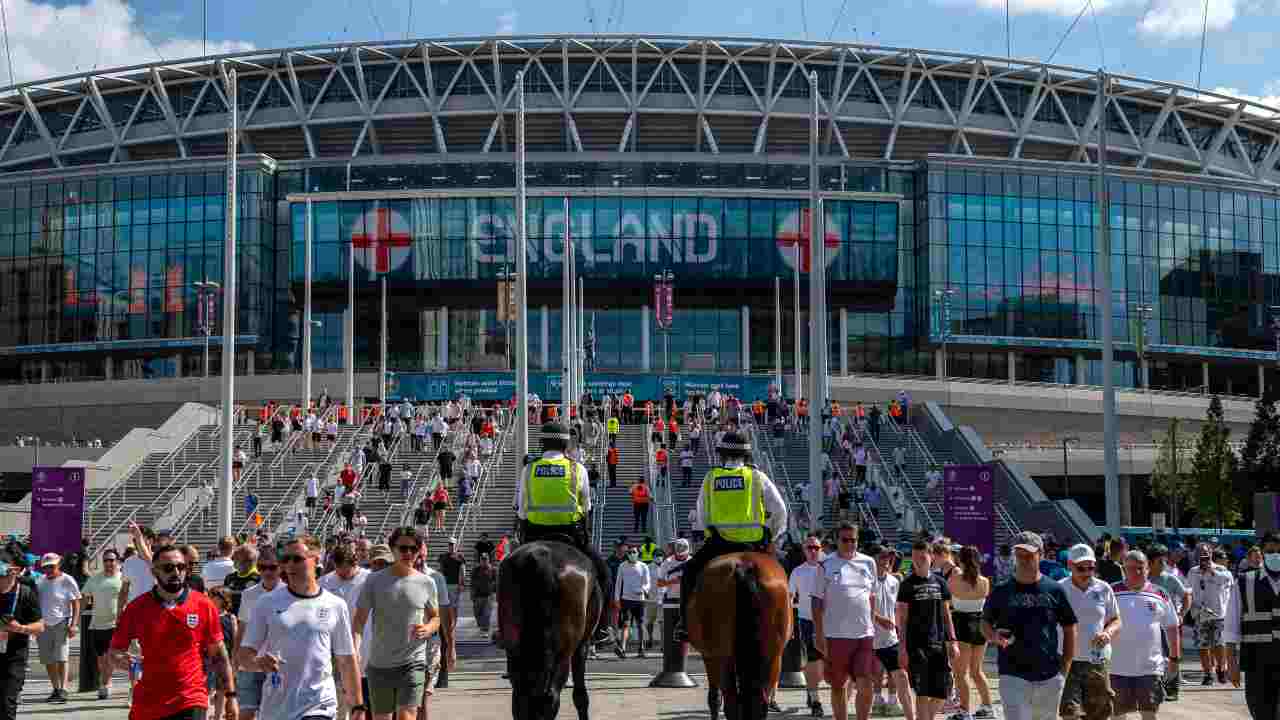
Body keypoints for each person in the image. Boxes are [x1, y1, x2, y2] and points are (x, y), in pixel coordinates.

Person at [677, 431, 788, 640]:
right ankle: (792, 629)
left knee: (690, 572)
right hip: (754, 545)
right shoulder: (757, 476)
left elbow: (702, 515)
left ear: (722, 455)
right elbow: (781, 510)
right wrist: (771, 537)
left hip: (718, 546)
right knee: (785, 574)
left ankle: (683, 625)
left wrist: (709, 530)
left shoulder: (711, 477)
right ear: (746, 455)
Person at [239, 535, 364, 720]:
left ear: (316, 559)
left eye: (297, 559)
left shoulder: (335, 605)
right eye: (285, 559)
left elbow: (346, 659)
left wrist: (357, 705)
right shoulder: (266, 603)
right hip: (277, 706)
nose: (290, 565)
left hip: (319, 704)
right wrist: (258, 662)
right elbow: (244, 656)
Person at [109, 543, 238, 720]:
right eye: (168, 568)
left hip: (190, 698)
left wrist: (231, 697)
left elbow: (219, 656)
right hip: (149, 702)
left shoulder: (204, 605)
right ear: (154, 572)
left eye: (181, 567)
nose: (176, 572)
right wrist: (119, 659)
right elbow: (115, 651)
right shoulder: (136, 608)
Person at [513, 421, 612, 642]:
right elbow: (586, 507)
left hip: (534, 537)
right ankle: (603, 627)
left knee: (508, 575)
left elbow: (521, 510)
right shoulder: (578, 469)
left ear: (542, 443)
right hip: (571, 536)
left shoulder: (529, 469)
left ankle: (507, 629)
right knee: (604, 574)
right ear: (567, 445)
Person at [981, 531, 1078, 720]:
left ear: (1040, 555)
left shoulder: (1054, 589)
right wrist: (993, 636)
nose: (1024, 560)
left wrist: (1065, 667)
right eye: (1019, 555)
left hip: (1049, 675)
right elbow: (985, 622)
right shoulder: (1002, 590)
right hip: (1012, 674)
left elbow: (1070, 627)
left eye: (1029, 555)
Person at [353, 527, 440, 720]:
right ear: (393, 549)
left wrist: (427, 628)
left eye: (413, 548)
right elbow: (359, 620)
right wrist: (356, 648)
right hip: (379, 664)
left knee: (406, 716)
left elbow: (435, 617)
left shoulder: (427, 582)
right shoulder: (374, 581)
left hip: (413, 662)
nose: (408, 553)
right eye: (403, 548)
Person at [812, 522, 878, 720]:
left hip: (864, 635)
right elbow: (816, 602)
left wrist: (872, 625)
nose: (849, 543)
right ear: (837, 541)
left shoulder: (869, 563)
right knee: (838, 686)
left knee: (866, 685)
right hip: (835, 636)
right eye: (845, 540)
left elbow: (872, 597)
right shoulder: (826, 565)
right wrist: (819, 634)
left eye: (853, 540)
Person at [1111, 550, 1179, 720]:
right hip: (1116, 667)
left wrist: (1174, 658)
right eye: (1131, 568)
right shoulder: (1111, 592)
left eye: (1141, 568)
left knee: (1149, 714)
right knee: (1118, 715)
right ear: (1124, 570)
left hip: (1150, 668)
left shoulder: (1160, 593)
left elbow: (1172, 627)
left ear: (1148, 569)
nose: (1137, 572)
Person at [896, 540, 960, 720]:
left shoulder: (940, 582)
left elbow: (947, 614)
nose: (918, 561)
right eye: (915, 558)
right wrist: (902, 649)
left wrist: (953, 641)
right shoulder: (907, 584)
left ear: (931, 557)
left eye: (922, 557)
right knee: (922, 692)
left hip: (938, 644)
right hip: (916, 645)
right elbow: (902, 619)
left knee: (943, 691)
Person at [1058, 543, 1121, 720]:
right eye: (1080, 568)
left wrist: (1107, 633)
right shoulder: (1059, 589)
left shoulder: (1103, 588)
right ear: (1069, 565)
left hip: (1097, 661)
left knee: (1099, 714)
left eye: (1091, 568)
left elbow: (1116, 619)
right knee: (1069, 713)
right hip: (1066, 660)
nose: (1087, 572)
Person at [1225, 530, 1280, 718]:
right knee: (1261, 712)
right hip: (1258, 662)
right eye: (1270, 551)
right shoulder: (1244, 581)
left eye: (1278, 551)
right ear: (1262, 553)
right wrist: (1231, 661)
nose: (1274, 555)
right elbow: (1231, 626)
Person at [948, 545, 994, 720]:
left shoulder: (954, 580)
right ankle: (988, 707)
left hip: (961, 624)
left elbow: (949, 604)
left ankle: (964, 711)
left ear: (960, 559)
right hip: (980, 624)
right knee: (976, 670)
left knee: (960, 672)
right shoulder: (985, 582)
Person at [871, 545, 913, 720]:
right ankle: (877, 701)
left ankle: (893, 702)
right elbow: (859, 608)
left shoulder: (895, 581)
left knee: (899, 673)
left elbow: (897, 609)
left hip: (890, 637)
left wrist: (901, 628)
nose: (887, 561)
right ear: (873, 559)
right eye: (882, 557)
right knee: (873, 673)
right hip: (869, 636)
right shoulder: (866, 580)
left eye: (889, 558)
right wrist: (879, 619)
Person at [0, 556, 44, 720]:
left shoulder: (25, 592)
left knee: (7, 701)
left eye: (3, 575)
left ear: (14, 572)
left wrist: (20, 628)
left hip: (15, 655)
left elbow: (40, 626)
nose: (1, 580)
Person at [789, 532, 828, 716]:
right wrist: (789, 623)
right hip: (807, 621)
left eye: (816, 548)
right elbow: (789, 598)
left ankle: (811, 691)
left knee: (822, 667)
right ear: (804, 551)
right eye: (809, 548)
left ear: (821, 550)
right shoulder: (798, 571)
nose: (813, 551)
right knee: (813, 660)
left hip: (830, 621)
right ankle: (815, 701)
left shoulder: (829, 567)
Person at [1146, 544, 1190, 701]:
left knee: (1173, 656)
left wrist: (1181, 614)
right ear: (1149, 563)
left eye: (1164, 561)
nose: (1164, 565)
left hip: (1168, 626)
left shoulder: (1170, 579)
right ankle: (1155, 688)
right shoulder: (1143, 579)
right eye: (1160, 561)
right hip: (1150, 626)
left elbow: (1186, 595)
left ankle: (1172, 688)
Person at [1187, 544, 1234, 685]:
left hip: (1218, 614)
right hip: (1200, 614)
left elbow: (1228, 582)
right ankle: (1208, 673)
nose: (1203, 556)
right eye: (1200, 553)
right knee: (1203, 646)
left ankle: (1221, 669)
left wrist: (1212, 571)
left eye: (1206, 553)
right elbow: (1188, 590)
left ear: (1211, 553)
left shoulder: (1221, 569)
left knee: (1219, 644)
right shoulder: (1193, 571)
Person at [35, 553, 79, 703]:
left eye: (51, 566)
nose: (49, 569)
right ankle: (56, 688)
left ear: (58, 564)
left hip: (61, 622)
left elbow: (76, 602)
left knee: (61, 657)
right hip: (43, 624)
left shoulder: (67, 580)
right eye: (46, 567)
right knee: (48, 659)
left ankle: (64, 689)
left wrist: (73, 624)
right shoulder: (40, 581)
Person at [83, 548, 124, 700]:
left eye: (112, 560)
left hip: (115, 623)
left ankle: (104, 684)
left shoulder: (123, 578)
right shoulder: (94, 579)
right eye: (106, 560)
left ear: (117, 562)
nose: (109, 563)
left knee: (109, 656)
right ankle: (107, 681)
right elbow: (85, 597)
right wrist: (76, 618)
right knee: (101, 658)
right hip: (96, 624)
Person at [612, 546, 652, 658]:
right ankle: (623, 648)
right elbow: (618, 583)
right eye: (629, 552)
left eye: (634, 552)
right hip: (626, 599)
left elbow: (648, 582)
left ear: (638, 553)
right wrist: (616, 599)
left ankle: (641, 648)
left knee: (640, 624)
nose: (631, 554)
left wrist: (644, 589)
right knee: (625, 624)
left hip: (639, 600)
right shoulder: (622, 566)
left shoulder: (643, 566)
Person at [438, 538, 466, 656]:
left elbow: (462, 570)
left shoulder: (460, 557)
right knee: (444, 605)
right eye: (449, 544)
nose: (451, 546)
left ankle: (452, 624)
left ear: (456, 545)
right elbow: (440, 569)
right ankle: (446, 624)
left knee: (454, 606)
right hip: (445, 583)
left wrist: (462, 583)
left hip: (454, 584)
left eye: (453, 544)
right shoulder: (443, 556)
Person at [223, 544, 262, 617]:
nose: (234, 561)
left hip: (251, 619)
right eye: (234, 558)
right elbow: (225, 599)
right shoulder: (229, 578)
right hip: (232, 618)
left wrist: (232, 592)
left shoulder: (259, 578)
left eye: (237, 559)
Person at [471, 553, 497, 640]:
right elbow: (472, 583)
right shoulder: (475, 570)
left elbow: (496, 581)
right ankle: (481, 626)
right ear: (480, 560)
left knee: (486, 614)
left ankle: (485, 630)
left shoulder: (493, 570)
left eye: (485, 559)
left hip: (488, 596)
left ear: (488, 560)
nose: (484, 561)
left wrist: (495, 592)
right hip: (477, 596)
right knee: (477, 614)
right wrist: (472, 594)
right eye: (482, 559)